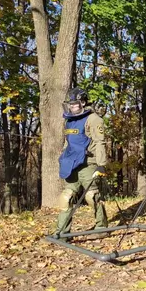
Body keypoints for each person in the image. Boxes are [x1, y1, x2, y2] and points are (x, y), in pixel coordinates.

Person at [55, 87, 109, 241]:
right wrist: (63, 159)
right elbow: (68, 143)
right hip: (72, 163)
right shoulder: (69, 121)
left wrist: (101, 164)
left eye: (75, 104)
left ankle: (101, 227)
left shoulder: (94, 119)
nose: (72, 107)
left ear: (83, 102)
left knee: (92, 196)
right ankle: (62, 233)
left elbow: (100, 142)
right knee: (66, 197)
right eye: (70, 104)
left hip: (88, 163)